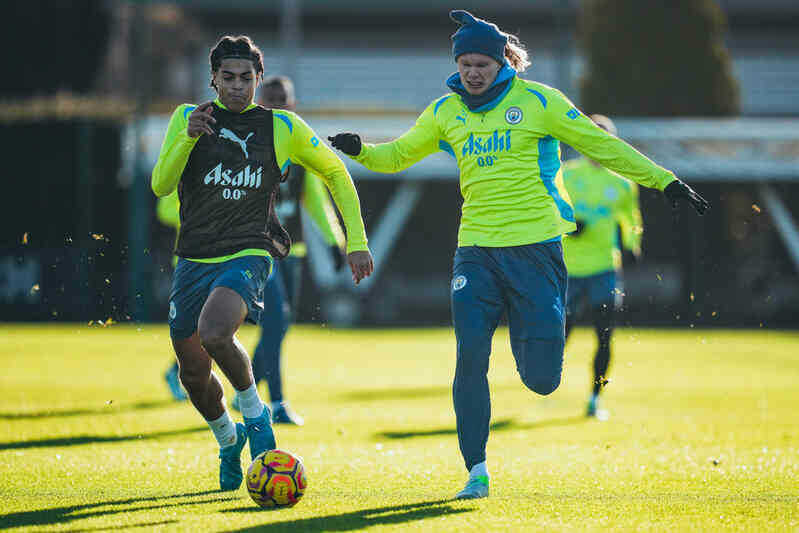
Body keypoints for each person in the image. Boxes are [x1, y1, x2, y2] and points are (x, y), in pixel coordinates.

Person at [328, 10, 708, 500]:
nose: (473, 72)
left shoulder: (539, 102)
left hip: (536, 251)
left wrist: (664, 181)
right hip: (475, 251)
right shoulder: (445, 112)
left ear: (502, 61)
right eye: (465, 64)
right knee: (470, 356)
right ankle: (476, 470)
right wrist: (361, 149)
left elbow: (602, 146)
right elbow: (397, 155)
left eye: (481, 64)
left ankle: (528, 332)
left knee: (543, 380)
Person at [151, 35, 373, 492]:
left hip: (250, 250)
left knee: (216, 332)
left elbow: (334, 171)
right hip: (193, 257)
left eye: (246, 78)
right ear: (213, 79)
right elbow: (161, 185)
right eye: (228, 77)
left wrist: (355, 240)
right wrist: (187, 139)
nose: (237, 86)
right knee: (193, 373)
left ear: (258, 78)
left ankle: (257, 416)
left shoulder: (282, 126)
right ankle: (227, 438)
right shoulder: (187, 118)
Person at [230, 75, 347, 425]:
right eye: (270, 100)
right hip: (260, 250)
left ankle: (244, 390)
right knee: (276, 319)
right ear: (258, 104)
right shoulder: (247, 146)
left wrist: (335, 242)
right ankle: (277, 403)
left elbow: (315, 199)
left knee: (280, 326)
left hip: (292, 251)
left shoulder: (299, 149)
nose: (277, 106)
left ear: (292, 105)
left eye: (282, 100)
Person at [562, 114, 641, 421]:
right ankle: (543, 381)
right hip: (568, 270)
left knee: (604, 336)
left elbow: (631, 218)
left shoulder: (622, 182)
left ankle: (596, 397)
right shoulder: (567, 175)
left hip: (605, 268)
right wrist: (568, 226)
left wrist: (633, 244)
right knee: (560, 336)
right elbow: (548, 209)